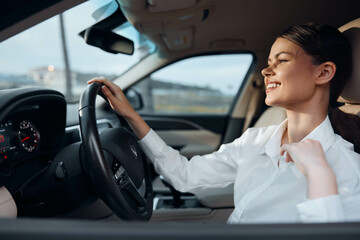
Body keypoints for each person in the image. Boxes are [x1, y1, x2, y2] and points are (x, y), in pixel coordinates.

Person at [88, 23, 360, 224]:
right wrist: (131, 116)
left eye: (282, 61)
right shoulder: (255, 140)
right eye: (268, 62)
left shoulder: (346, 166)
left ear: (323, 72)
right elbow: (184, 175)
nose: (266, 71)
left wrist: (319, 176)